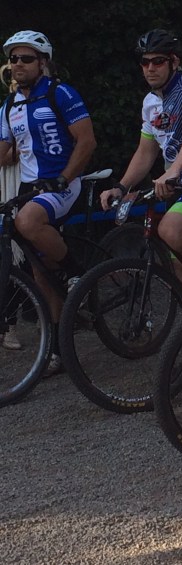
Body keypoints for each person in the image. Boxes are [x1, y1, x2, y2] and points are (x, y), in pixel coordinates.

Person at [99, 29, 182, 294]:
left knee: (170, 229)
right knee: (181, 269)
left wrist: (175, 170)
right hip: (176, 186)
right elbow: (146, 151)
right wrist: (121, 187)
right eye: (144, 62)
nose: (150, 68)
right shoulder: (150, 102)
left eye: (158, 61)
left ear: (174, 61)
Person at [0, 30, 97, 375]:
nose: (18, 65)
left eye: (26, 59)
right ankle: (57, 350)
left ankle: (76, 272)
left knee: (26, 222)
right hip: (30, 188)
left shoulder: (60, 93)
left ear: (43, 62)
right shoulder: (10, 106)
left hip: (62, 183)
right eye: (13, 59)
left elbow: (86, 141)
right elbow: (2, 152)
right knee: (40, 272)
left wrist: (65, 177)